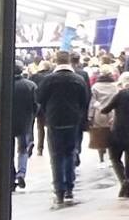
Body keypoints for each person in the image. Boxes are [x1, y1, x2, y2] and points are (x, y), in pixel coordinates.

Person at [36, 52, 91, 208]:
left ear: (56, 61)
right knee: (70, 153)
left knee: (56, 155)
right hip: (73, 120)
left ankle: (59, 189)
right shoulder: (78, 79)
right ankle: (69, 187)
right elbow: (85, 100)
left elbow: (39, 99)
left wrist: (48, 112)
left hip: (54, 120)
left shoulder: (48, 80)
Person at [11, 64, 39, 190]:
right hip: (25, 121)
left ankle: (11, 177)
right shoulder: (30, 85)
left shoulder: (6, 85)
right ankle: (21, 173)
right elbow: (36, 104)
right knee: (23, 150)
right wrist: (32, 115)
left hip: (9, 122)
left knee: (8, 151)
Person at [108, 75, 129, 199]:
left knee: (114, 158)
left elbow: (106, 109)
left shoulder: (121, 94)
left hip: (118, 131)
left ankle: (124, 180)